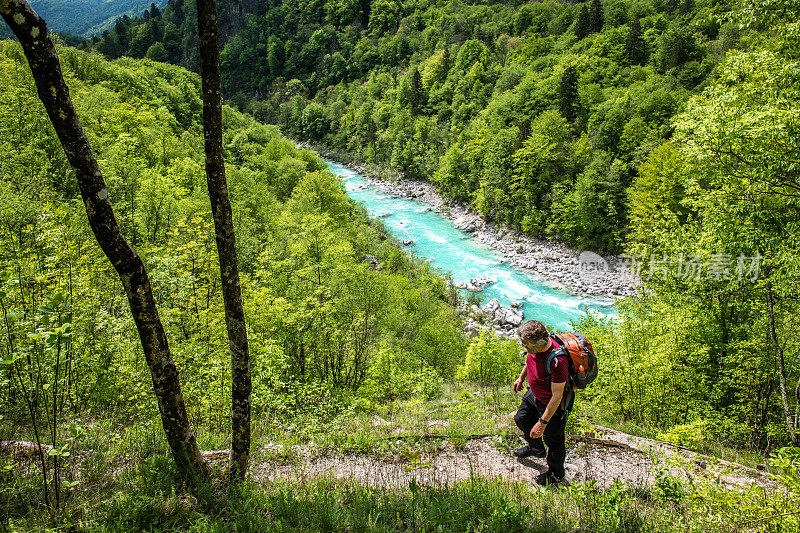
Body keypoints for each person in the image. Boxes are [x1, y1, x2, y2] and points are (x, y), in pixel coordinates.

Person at [512, 320, 573, 486]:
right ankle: (536, 448)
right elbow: (529, 360)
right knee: (521, 419)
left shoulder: (557, 362)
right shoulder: (534, 349)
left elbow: (557, 396)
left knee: (553, 440)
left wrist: (542, 422)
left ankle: (556, 474)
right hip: (535, 394)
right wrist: (521, 378)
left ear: (537, 343)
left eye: (525, 343)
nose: (523, 345)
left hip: (553, 404)